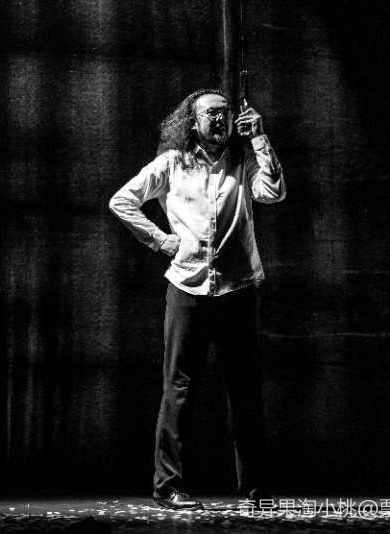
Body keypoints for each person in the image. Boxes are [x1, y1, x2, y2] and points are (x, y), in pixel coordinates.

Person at [108, 88, 286, 509]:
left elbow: (272, 192)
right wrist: (161, 241)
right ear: (193, 121)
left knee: (245, 390)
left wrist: (260, 139)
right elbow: (122, 200)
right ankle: (168, 485)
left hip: (237, 290)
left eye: (225, 113)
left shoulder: (243, 161)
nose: (220, 120)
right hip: (188, 288)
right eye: (211, 114)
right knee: (178, 388)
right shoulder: (172, 163)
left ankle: (257, 488)